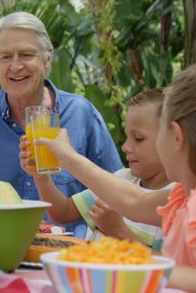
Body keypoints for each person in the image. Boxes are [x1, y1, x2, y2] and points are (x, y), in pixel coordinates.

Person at [29, 61, 196, 292]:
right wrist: (68, 158)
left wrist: (152, 270)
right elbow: (132, 201)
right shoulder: (183, 197)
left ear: (177, 137)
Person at [0, 11, 122, 232]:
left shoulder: (80, 113)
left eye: (27, 55)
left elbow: (118, 190)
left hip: (69, 252)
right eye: (6, 57)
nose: (16, 66)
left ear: (47, 59)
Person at [20, 89, 173, 249]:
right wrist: (40, 176)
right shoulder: (120, 179)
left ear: (173, 139)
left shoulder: (178, 200)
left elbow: (165, 266)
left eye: (139, 139)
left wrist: (118, 230)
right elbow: (62, 211)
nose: (126, 147)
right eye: (127, 136)